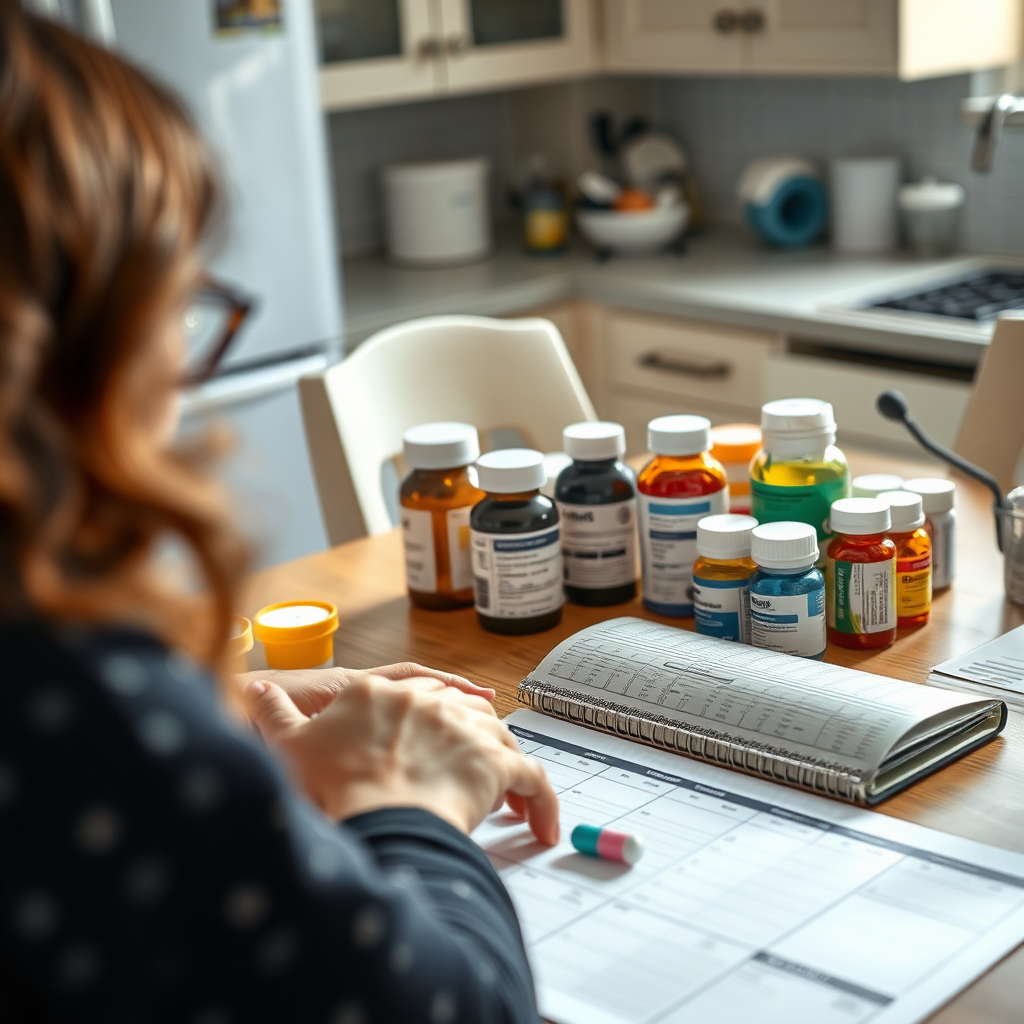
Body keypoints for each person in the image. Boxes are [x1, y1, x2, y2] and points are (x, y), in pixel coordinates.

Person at [0, 6, 558, 1023]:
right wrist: (407, 802)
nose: (180, 354)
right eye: (169, 302)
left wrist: (218, 706)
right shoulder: (78, 697)